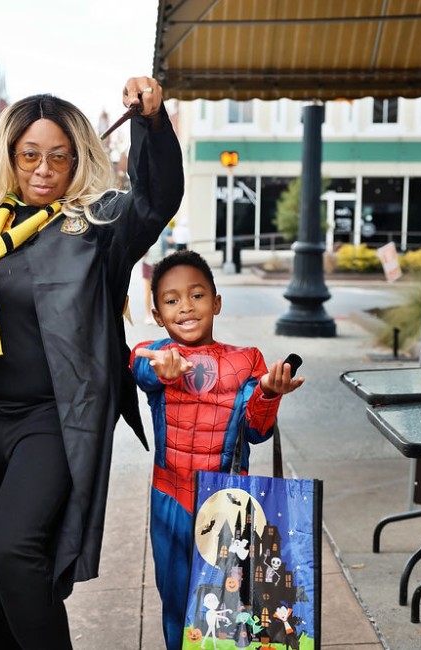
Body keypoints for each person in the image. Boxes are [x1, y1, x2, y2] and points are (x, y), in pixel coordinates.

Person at [0, 77, 184, 649]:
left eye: (58, 157)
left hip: (52, 419)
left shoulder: (98, 228)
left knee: (12, 549)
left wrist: (151, 121)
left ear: (77, 159)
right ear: (11, 158)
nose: (43, 170)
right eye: (29, 156)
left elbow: (158, 198)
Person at [129, 250, 305, 648]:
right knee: (176, 600)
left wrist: (268, 393)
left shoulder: (246, 361)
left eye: (197, 295)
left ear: (217, 302)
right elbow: (140, 367)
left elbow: (257, 431)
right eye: (171, 300)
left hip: (229, 503)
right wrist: (161, 369)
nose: (185, 307)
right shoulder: (154, 354)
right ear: (157, 314)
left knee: (229, 606)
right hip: (170, 498)